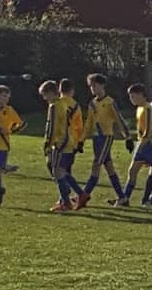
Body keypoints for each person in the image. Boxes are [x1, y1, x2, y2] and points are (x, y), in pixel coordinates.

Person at [80, 73, 131, 206]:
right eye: (90, 86)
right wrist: (82, 139)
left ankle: (84, 195)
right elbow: (88, 123)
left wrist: (128, 137)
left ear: (102, 85)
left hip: (106, 137)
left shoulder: (109, 102)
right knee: (109, 168)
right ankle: (122, 198)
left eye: (94, 85)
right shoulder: (92, 103)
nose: (92, 88)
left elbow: (119, 120)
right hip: (96, 139)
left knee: (96, 165)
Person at [41, 79, 89, 212]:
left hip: (60, 142)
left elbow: (52, 127)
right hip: (69, 141)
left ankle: (66, 201)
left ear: (51, 93)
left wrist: (47, 143)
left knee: (57, 171)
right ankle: (80, 194)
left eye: (45, 95)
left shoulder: (55, 106)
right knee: (62, 171)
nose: (45, 98)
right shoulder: (64, 104)